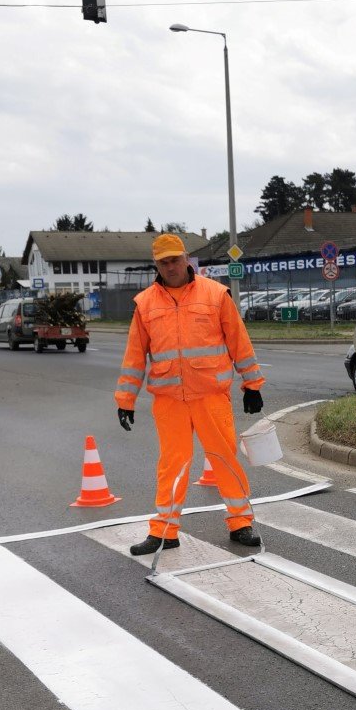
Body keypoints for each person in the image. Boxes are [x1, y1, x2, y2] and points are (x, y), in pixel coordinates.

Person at [115, 233, 266, 555]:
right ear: (156, 265)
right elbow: (134, 356)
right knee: (172, 465)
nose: (170, 267)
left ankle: (241, 522)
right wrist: (125, 400)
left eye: (175, 259)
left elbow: (239, 340)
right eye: (163, 262)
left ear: (186, 260)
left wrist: (252, 385)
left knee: (225, 459)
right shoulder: (145, 304)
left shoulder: (215, 294)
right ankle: (165, 531)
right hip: (169, 400)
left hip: (210, 395)